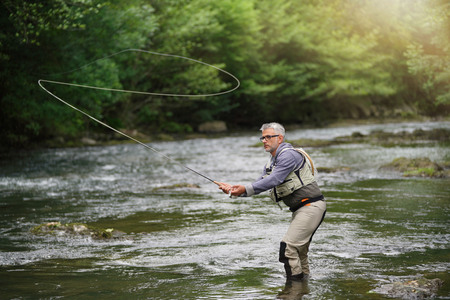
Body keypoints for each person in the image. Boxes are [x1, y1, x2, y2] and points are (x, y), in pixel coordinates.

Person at [217, 122, 326, 281]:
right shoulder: (271, 162)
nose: (264, 140)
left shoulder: (288, 155)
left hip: (311, 206)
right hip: (301, 209)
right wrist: (234, 191)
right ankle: (304, 286)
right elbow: (259, 185)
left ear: (280, 138)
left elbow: (274, 180)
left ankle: (292, 289)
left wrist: (244, 189)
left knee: (288, 247)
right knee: (299, 251)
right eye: (262, 137)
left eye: (268, 137)